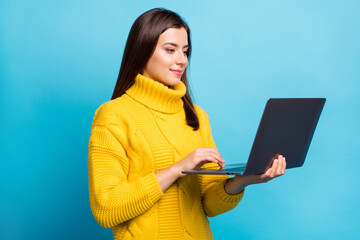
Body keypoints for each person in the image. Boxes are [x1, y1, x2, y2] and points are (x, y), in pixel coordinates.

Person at [88, 8, 286, 240]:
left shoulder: (197, 116)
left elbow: (210, 204)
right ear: (143, 50)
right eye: (170, 50)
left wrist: (245, 180)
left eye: (185, 51)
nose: (181, 60)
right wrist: (176, 169)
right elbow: (106, 209)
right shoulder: (112, 116)